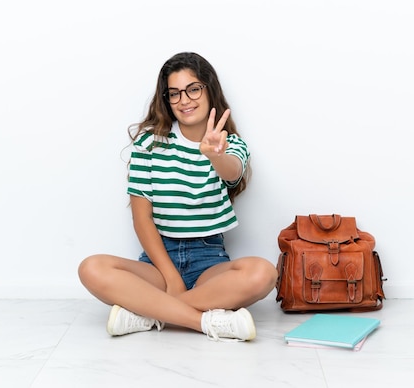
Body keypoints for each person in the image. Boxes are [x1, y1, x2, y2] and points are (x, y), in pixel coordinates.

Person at [78, 52, 278, 342]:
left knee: (263, 273)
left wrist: (213, 155)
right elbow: (141, 218)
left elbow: (231, 171)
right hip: (158, 261)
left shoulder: (230, 144)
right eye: (175, 93)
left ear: (209, 90)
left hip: (208, 261)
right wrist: (171, 277)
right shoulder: (148, 143)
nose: (185, 100)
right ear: (167, 99)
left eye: (193, 89)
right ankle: (204, 322)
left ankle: (147, 313)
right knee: (91, 268)